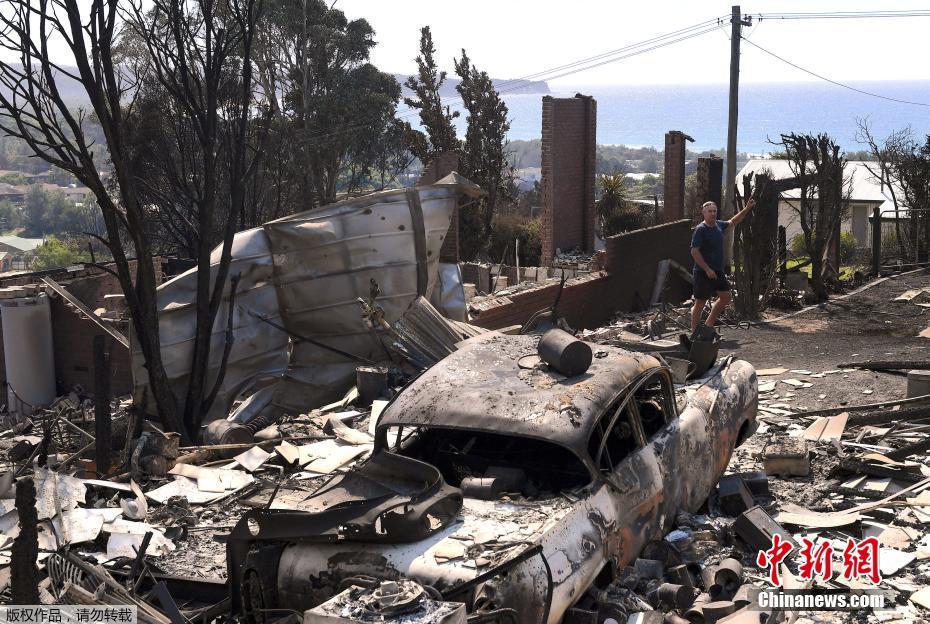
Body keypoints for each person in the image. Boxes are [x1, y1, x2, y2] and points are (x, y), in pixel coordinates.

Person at [689, 198, 755, 335]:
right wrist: (707, 269)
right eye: (709, 211)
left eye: (714, 211)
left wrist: (747, 209)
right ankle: (694, 333)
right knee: (699, 303)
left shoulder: (719, 225)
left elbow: (734, 221)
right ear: (703, 212)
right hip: (702, 272)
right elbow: (694, 251)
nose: (712, 214)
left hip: (717, 271)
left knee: (726, 297)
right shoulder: (700, 229)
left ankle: (708, 324)